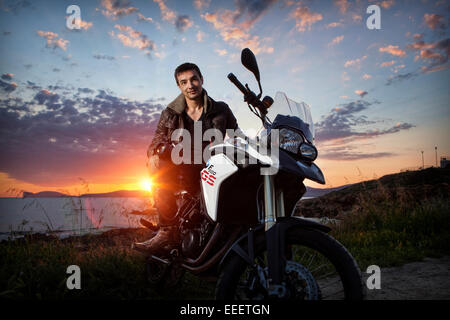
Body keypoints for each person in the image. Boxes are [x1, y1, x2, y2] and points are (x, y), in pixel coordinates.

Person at [133, 62, 239, 253]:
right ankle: (167, 230)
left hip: (213, 166)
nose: (190, 85)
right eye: (184, 82)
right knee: (156, 163)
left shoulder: (221, 109)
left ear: (201, 80)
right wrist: (155, 153)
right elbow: (155, 142)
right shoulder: (170, 113)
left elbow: (237, 137)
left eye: (193, 79)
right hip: (182, 167)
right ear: (179, 86)